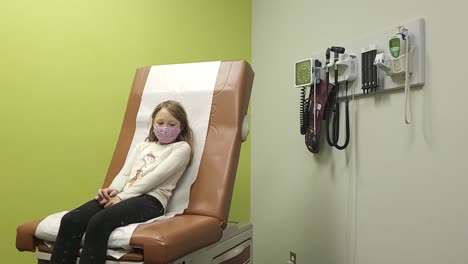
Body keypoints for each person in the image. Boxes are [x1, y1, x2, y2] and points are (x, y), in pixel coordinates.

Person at [50, 100, 193, 264]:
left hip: (151, 200)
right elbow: (125, 174)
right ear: (153, 123)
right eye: (160, 123)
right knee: (70, 220)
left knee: (98, 223)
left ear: (181, 127)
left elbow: (155, 178)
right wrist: (112, 191)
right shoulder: (142, 146)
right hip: (124, 194)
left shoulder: (181, 148)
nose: (164, 128)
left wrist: (121, 197)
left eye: (171, 124)